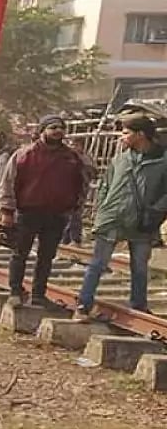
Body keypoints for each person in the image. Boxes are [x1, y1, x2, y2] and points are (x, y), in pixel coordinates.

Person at [74, 114, 167, 319]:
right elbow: (106, 185)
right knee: (98, 263)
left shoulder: (163, 160)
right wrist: (101, 211)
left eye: (126, 133)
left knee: (140, 267)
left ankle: (138, 306)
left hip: (143, 221)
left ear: (141, 134)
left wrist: (156, 211)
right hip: (113, 218)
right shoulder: (120, 158)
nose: (121, 137)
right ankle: (84, 303)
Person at [0, 114, 89, 308]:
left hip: (57, 215)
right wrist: (6, 211)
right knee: (19, 253)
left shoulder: (72, 157)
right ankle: (15, 292)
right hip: (28, 212)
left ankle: (38, 295)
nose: (58, 131)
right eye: (53, 127)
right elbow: (8, 183)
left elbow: (81, 184)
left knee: (46, 257)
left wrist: (75, 208)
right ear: (42, 130)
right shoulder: (24, 155)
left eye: (61, 127)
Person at [62, 136, 97, 245]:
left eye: (75, 145)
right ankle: (65, 239)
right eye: (71, 144)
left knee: (75, 215)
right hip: (66, 190)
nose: (72, 147)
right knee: (66, 216)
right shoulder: (66, 158)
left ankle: (75, 239)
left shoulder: (85, 159)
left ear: (81, 146)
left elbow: (92, 173)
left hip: (79, 191)